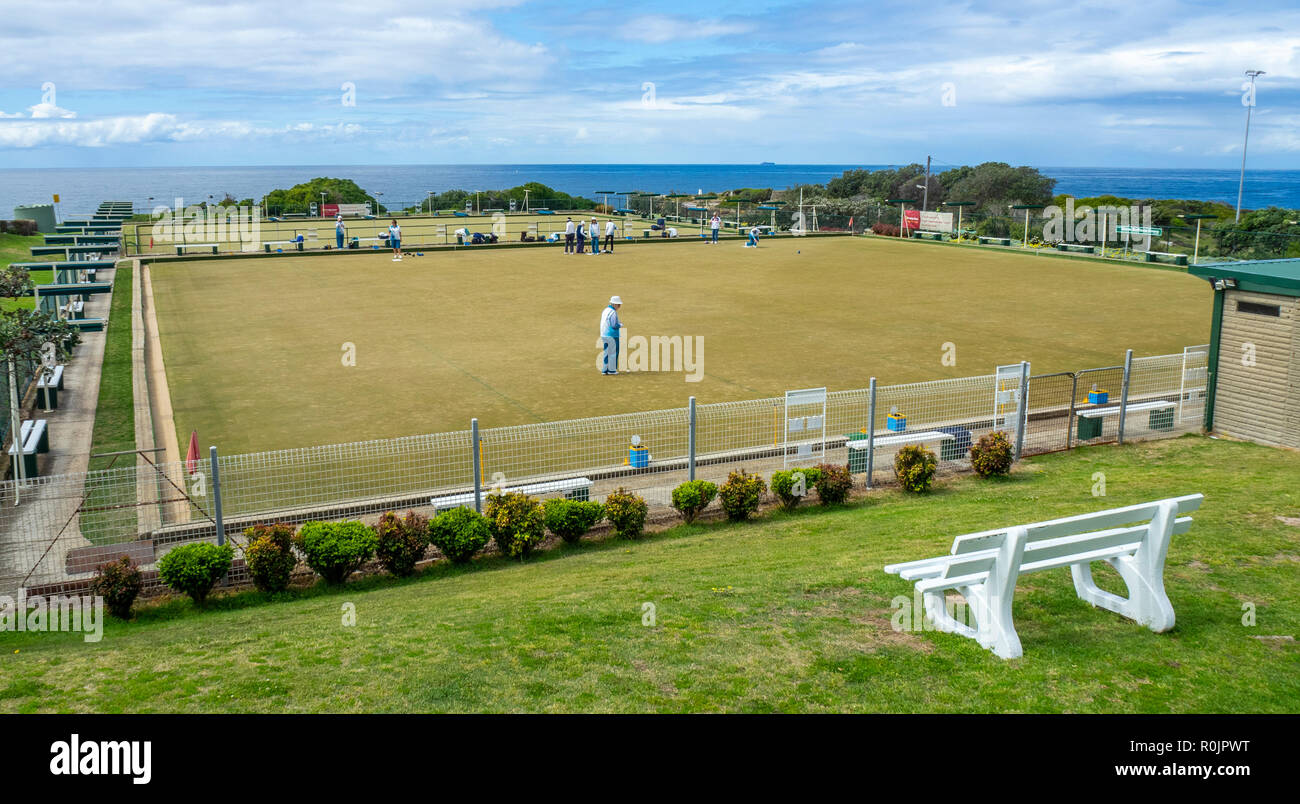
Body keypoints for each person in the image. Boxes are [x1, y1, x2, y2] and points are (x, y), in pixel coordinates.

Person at [599, 296, 622, 375]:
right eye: (618, 305)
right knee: (613, 352)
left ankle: (604, 370)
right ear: (614, 304)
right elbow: (614, 325)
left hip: (604, 334)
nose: (619, 306)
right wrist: (620, 325)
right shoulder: (613, 312)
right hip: (612, 335)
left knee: (606, 352)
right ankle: (612, 370)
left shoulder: (605, 310)